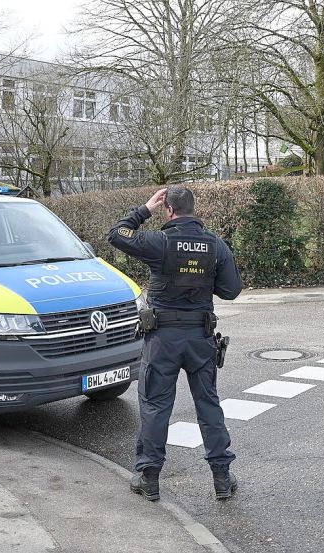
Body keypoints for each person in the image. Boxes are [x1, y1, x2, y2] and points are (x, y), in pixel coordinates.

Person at [107, 186, 243, 502]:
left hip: (162, 340)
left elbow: (117, 234)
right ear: (193, 210)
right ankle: (222, 478)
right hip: (200, 338)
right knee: (208, 405)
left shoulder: (159, 242)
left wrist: (144, 209)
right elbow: (231, 290)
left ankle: (149, 478)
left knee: (155, 407)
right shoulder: (215, 246)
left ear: (168, 210)